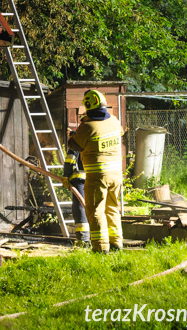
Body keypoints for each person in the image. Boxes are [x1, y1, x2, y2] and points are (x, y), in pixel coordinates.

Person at [68, 90, 124, 253]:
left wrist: (73, 134)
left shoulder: (87, 126)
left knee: (96, 210)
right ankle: (116, 243)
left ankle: (100, 248)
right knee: (112, 208)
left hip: (97, 176)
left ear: (88, 109)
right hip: (116, 175)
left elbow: (75, 146)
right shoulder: (114, 121)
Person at [62, 143, 90, 246]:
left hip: (80, 179)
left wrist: (66, 176)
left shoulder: (77, 141)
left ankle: (83, 239)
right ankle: (95, 238)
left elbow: (70, 160)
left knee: (80, 208)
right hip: (94, 177)